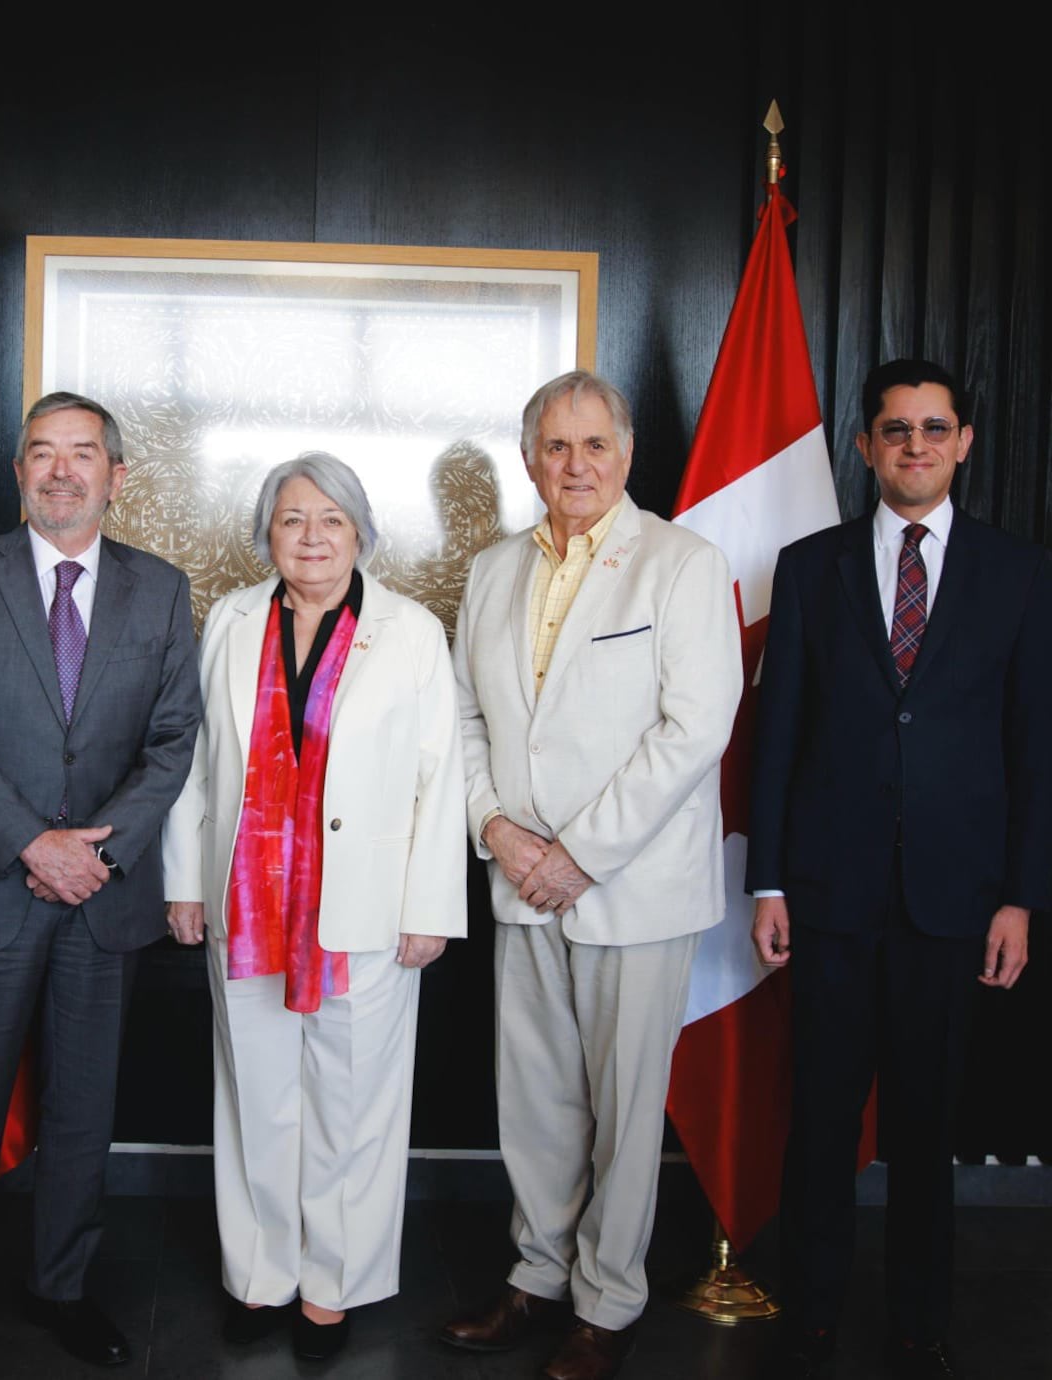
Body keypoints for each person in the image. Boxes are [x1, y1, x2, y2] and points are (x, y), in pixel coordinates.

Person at [748, 359, 1052, 1380]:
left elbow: (1031, 745)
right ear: (865, 445)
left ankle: (920, 1321)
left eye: (932, 428)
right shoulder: (808, 567)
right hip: (827, 899)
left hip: (952, 900)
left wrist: (1017, 894)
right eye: (892, 430)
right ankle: (811, 1313)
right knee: (821, 1122)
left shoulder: (1017, 573)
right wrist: (769, 880)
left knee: (924, 1131)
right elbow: (775, 735)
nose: (912, 446)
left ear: (962, 441)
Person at [0, 391, 201, 1379]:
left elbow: (169, 742)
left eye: (82, 453)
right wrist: (34, 844)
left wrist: (94, 856)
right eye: (40, 453)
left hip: (100, 899)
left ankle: (59, 1289)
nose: (60, 470)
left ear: (116, 475)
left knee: (80, 1113)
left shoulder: (158, 589)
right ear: (17, 471)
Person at [441, 371, 741, 1380]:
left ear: (624, 454)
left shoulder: (680, 563)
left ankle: (606, 1301)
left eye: (593, 446)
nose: (574, 466)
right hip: (517, 880)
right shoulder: (488, 572)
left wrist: (578, 855)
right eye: (554, 448)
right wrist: (492, 827)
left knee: (622, 1104)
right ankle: (534, 1276)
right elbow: (463, 723)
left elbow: (693, 728)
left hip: (630, 886)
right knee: (531, 1101)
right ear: (528, 458)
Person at [161, 453, 467, 1361]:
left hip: (366, 910)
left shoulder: (409, 632)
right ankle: (260, 1276)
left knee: (353, 1102)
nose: (311, 537)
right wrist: (184, 883)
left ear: (362, 532)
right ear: (267, 535)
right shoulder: (230, 619)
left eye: (331, 519)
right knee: (256, 1097)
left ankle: (335, 1285)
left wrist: (431, 909)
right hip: (247, 903)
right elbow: (196, 764)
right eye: (292, 519)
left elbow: (439, 777)